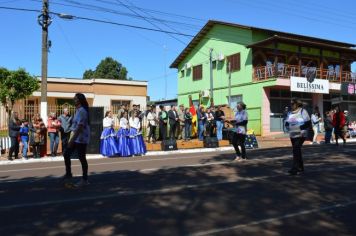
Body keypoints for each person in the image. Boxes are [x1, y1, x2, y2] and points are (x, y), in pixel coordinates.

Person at [62, 93, 90, 187]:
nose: (74, 100)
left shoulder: (82, 111)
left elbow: (80, 127)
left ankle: (85, 179)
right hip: (76, 136)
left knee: (82, 158)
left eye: (75, 99)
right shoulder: (78, 110)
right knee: (66, 154)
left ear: (79, 100)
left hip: (81, 137)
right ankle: (69, 173)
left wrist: (72, 140)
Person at [285, 98, 311, 175]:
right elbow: (287, 122)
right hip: (292, 134)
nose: (291, 105)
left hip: (301, 134)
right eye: (291, 104)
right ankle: (301, 167)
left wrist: (299, 128)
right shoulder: (290, 113)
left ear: (297, 104)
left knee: (296, 150)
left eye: (293, 104)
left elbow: (308, 123)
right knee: (296, 150)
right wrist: (287, 125)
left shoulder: (303, 111)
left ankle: (295, 168)